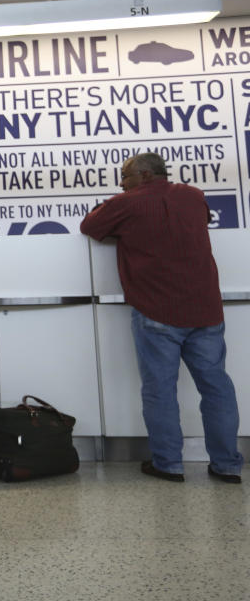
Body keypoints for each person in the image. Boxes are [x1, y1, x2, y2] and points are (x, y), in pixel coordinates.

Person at [80, 152, 243, 484]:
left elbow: (90, 225)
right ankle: (226, 465)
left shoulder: (126, 204)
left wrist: (120, 219)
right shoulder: (193, 196)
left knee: (160, 390)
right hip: (206, 310)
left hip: (157, 311)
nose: (120, 184)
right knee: (217, 389)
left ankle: (169, 465)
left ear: (142, 175)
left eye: (124, 177)